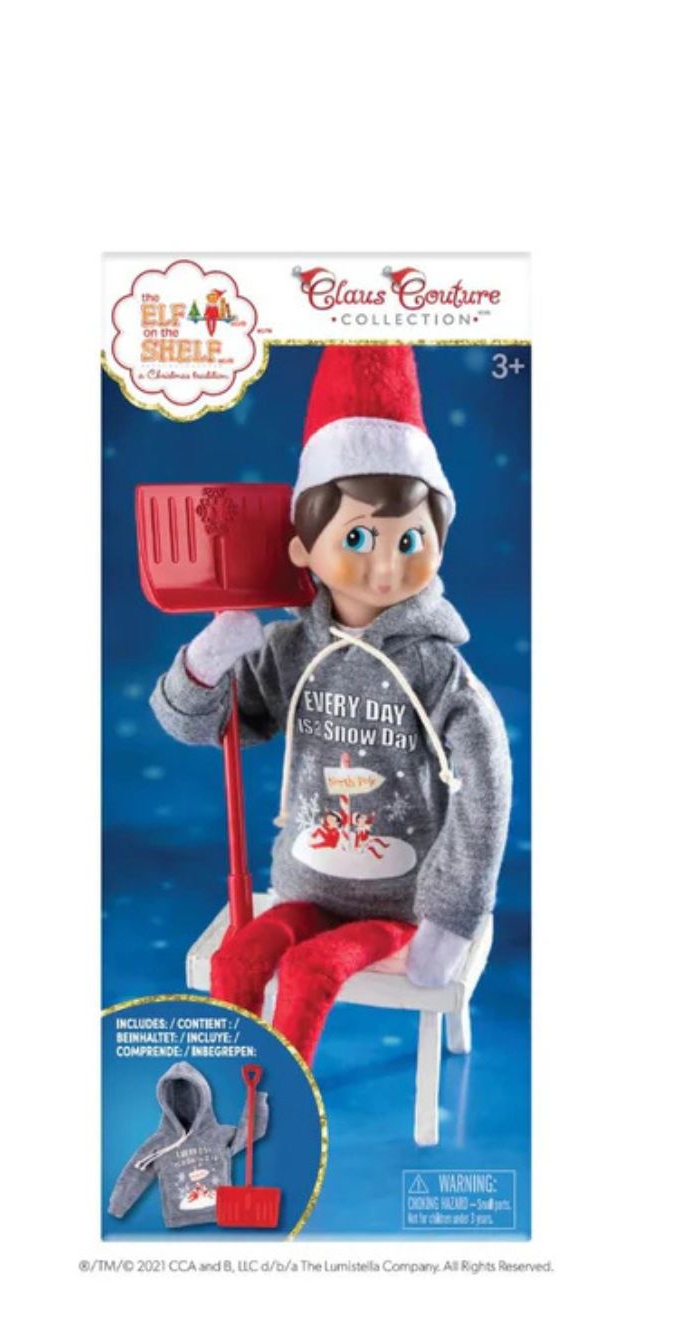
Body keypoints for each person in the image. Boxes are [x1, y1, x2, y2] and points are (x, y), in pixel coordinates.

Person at [151, 345, 511, 1066]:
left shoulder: (439, 671)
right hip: (303, 885)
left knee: (314, 970)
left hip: (397, 902)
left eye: (410, 539)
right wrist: (212, 657)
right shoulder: (291, 650)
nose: (385, 565)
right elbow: (200, 724)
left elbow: (485, 788)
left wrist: (450, 915)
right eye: (357, 537)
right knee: (237, 960)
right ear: (302, 547)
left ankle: (285, 1100)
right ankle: (228, 1091)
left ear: (439, 542)